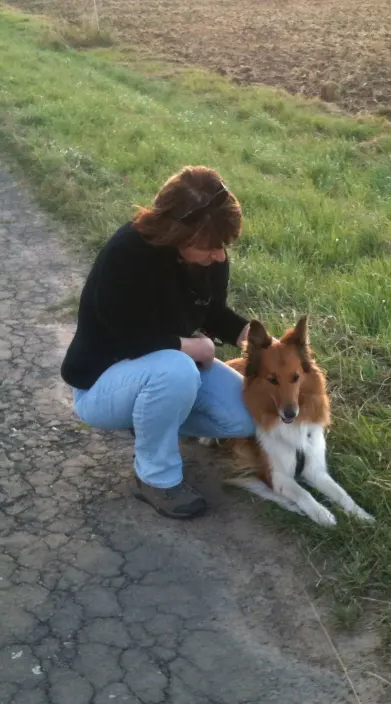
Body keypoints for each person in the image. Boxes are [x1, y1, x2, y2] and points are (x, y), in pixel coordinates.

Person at [61, 166, 254, 520]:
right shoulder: (126, 255)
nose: (221, 257)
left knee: (246, 415)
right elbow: (128, 335)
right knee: (177, 369)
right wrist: (198, 348)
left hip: (159, 371)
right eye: (211, 247)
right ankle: (156, 478)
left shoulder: (210, 258)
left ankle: (153, 419)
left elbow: (212, 312)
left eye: (224, 246)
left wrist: (251, 336)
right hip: (102, 383)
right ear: (177, 233)